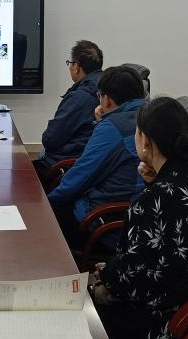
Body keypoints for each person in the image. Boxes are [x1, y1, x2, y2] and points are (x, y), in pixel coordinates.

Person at [90, 97, 188, 339]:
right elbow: (163, 248)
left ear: (145, 141)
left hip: (171, 319)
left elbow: (134, 278)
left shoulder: (153, 199)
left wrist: (104, 277)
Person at [47, 66, 147, 248]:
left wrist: (47, 202)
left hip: (106, 224)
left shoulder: (113, 128)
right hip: (139, 221)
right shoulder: (150, 117)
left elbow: (81, 175)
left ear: (106, 99)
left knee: (44, 219)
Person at [33, 40, 103, 181]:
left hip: (67, 165)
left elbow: (50, 139)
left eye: (69, 63)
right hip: (89, 163)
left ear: (76, 67)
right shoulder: (105, 87)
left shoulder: (80, 97)